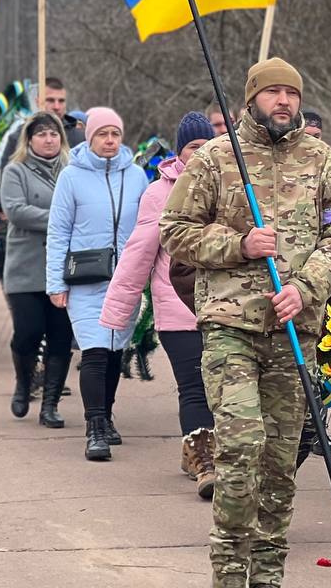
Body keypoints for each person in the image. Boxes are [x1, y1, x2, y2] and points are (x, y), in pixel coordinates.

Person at [159, 59, 331, 588]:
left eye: (291, 93)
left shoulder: (323, 162)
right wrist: (239, 244)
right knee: (242, 445)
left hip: (295, 332)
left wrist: (307, 286)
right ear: (251, 99)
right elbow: (175, 232)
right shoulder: (215, 158)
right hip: (230, 325)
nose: (283, 101)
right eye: (272, 92)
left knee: (279, 458)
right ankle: (228, 571)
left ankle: (268, 574)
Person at [102, 110, 217, 498]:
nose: (201, 155)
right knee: (194, 387)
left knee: (222, 387)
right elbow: (138, 254)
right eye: (193, 148)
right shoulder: (159, 193)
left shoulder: (231, 186)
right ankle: (205, 461)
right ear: (180, 152)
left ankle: (197, 448)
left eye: (207, 146)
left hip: (225, 307)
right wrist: (119, 310)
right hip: (176, 309)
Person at [45, 106, 149, 461]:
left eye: (115, 134)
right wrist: (55, 283)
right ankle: (94, 428)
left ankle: (106, 416)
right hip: (85, 279)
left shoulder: (136, 176)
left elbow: (150, 227)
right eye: (101, 134)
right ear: (89, 137)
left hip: (126, 278)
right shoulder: (71, 177)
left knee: (115, 351)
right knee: (94, 350)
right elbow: (58, 232)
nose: (109, 140)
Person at [0, 111, 73, 426]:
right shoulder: (15, 171)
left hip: (64, 269)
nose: (48, 139)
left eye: (54, 134)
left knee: (60, 336)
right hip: (26, 268)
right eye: (42, 134)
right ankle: (24, 380)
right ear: (29, 139)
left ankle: (50, 404)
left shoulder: (72, 170)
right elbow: (16, 211)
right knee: (27, 333)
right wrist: (60, 219)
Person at [0, 77, 85, 166]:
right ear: (38, 102)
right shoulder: (19, 137)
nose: (57, 106)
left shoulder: (80, 139)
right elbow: (8, 174)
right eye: (50, 100)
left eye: (61, 101)